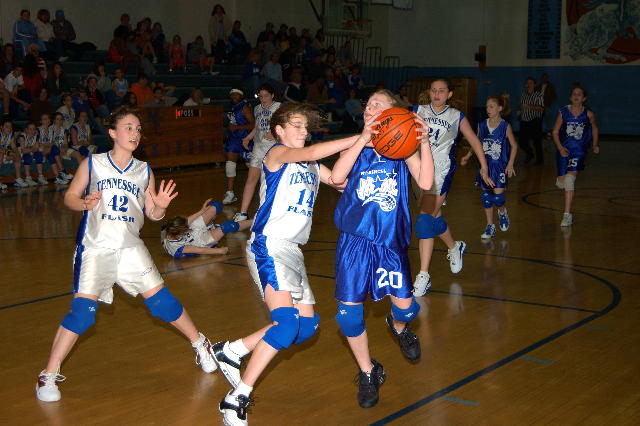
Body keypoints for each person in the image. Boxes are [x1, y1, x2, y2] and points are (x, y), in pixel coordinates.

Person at [34, 106, 218, 403]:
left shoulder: (144, 170)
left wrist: (160, 207)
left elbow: (153, 215)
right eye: (129, 128)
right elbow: (70, 196)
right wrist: (84, 203)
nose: (135, 133)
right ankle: (48, 373)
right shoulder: (93, 163)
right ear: (112, 133)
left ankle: (201, 344)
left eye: (138, 129)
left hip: (131, 248)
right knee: (82, 315)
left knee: (163, 304)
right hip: (96, 247)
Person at [213, 102, 363, 425]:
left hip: (292, 251)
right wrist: (360, 137)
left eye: (306, 127)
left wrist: (366, 160)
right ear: (279, 130)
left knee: (305, 327)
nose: (303, 131)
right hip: (269, 245)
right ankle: (236, 398)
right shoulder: (276, 153)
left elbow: (340, 181)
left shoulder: (311, 165)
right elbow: (313, 152)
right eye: (297, 125)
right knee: (285, 324)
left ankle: (232, 351)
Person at [329, 89, 433, 409]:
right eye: (368, 104)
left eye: (378, 103)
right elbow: (336, 177)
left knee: (407, 310)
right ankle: (368, 371)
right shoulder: (355, 144)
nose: (369, 107)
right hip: (354, 241)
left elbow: (425, 183)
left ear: (393, 112)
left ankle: (398, 327)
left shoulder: (402, 147)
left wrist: (424, 142)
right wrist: (362, 139)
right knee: (348, 319)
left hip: (389, 242)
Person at [412, 78, 495, 296]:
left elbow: (475, 141)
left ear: (449, 94)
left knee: (424, 220)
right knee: (434, 216)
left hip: (441, 172)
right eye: (433, 90)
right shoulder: (417, 111)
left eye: (441, 91)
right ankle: (454, 246)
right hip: (418, 171)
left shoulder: (456, 116)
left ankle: (423, 275)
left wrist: (484, 167)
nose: (437, 94)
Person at [461, 95, 517, 239]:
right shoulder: (482, 125)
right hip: (484, 167)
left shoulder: (505, 126)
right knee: (486, 197)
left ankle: (502, 212)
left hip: (499, 167)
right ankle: (490, 226)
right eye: (487, 106)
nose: (488, 109)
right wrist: (468, 156)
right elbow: (476, 143)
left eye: (491, 106)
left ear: (500, 108)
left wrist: (510, 163)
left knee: (498, 198)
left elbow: (514, 145)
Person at [551, 85, 599, 227]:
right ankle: (561, 181)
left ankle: (567, 215)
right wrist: (560, 148)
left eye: (579, 94)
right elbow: (555, 132)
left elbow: (595, 128)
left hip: (578, 151)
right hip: (563, 150)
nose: (576, 96)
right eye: (574, 94)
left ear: (584, 98)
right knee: (561, 182)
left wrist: (595, 144)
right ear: (570, 97)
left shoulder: (588, 114)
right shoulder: (563, 112)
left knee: (570, 180)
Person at [233, 84, 281, 221]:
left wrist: (275, 133)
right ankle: (243, 213)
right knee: (251, 180)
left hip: (274, 149)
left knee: (268, 183)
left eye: (266, 96)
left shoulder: (279, 107)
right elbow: (257, 127)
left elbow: (286, 125)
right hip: (258, 148)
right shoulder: (257, 108)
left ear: (272, 95)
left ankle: (269, 213)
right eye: (260, 96)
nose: (263, 99)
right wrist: (248, 137)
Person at [161, 198, 252, 258]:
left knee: (216, 205)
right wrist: (220, 251)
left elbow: (187, 221)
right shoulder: (177, 247)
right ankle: (255, 221)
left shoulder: (174, 227)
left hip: (192, 233)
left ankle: (210, 223)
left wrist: (202, 210)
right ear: (181, 233)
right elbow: (200, 250)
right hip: (198, 242)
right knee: (228, 226)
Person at [223, 89, 254, 205]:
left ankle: (263, 187)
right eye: (232, 95)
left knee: (252, 166)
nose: (234, 96)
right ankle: (230, 192)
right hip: (234, 139)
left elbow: (253, 125)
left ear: (241, 96)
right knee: (230, 164)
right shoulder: (232, 107)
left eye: (236, 95)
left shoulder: (244, 107)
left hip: (245, 139)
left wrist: (237, 128)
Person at [38, 112, 72, 184]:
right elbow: (38, 143)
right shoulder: (38, 130)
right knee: (54, 148)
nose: (47, 120)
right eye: (44, 119)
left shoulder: (51, 131)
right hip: (40, 151)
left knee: (52, 156)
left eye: (48, 119)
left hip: (48, 151)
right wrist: (48, 145)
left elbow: (53, 142)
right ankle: (62, 170)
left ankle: (57, 177)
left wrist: (48, 146)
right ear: (40, 121)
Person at [518, 77, 545, 164]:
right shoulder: (523, 95)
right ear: (526, 85)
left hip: (535, 121)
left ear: (534, 85)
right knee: (521, 142)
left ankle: (540, 161)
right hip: (524, 121)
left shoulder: (538, 95)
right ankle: (530, 153)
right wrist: (519, 111)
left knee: (537, 142)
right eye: (527, 83)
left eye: (531, 83)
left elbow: (541, 108)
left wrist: (528, 106)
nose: (529, 84)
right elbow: (521, 106)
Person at [1, 118, 28, 188]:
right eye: (7, 127)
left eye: (10, 127)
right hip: (2, 153)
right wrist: (11, 153)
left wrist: (17, 153)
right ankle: (6, 159)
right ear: (1, 127)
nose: (9, 129)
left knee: (18, 154)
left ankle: (18, 179)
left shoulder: (11, 134)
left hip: (4, 153)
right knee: (1, 154)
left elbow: (14, 147)